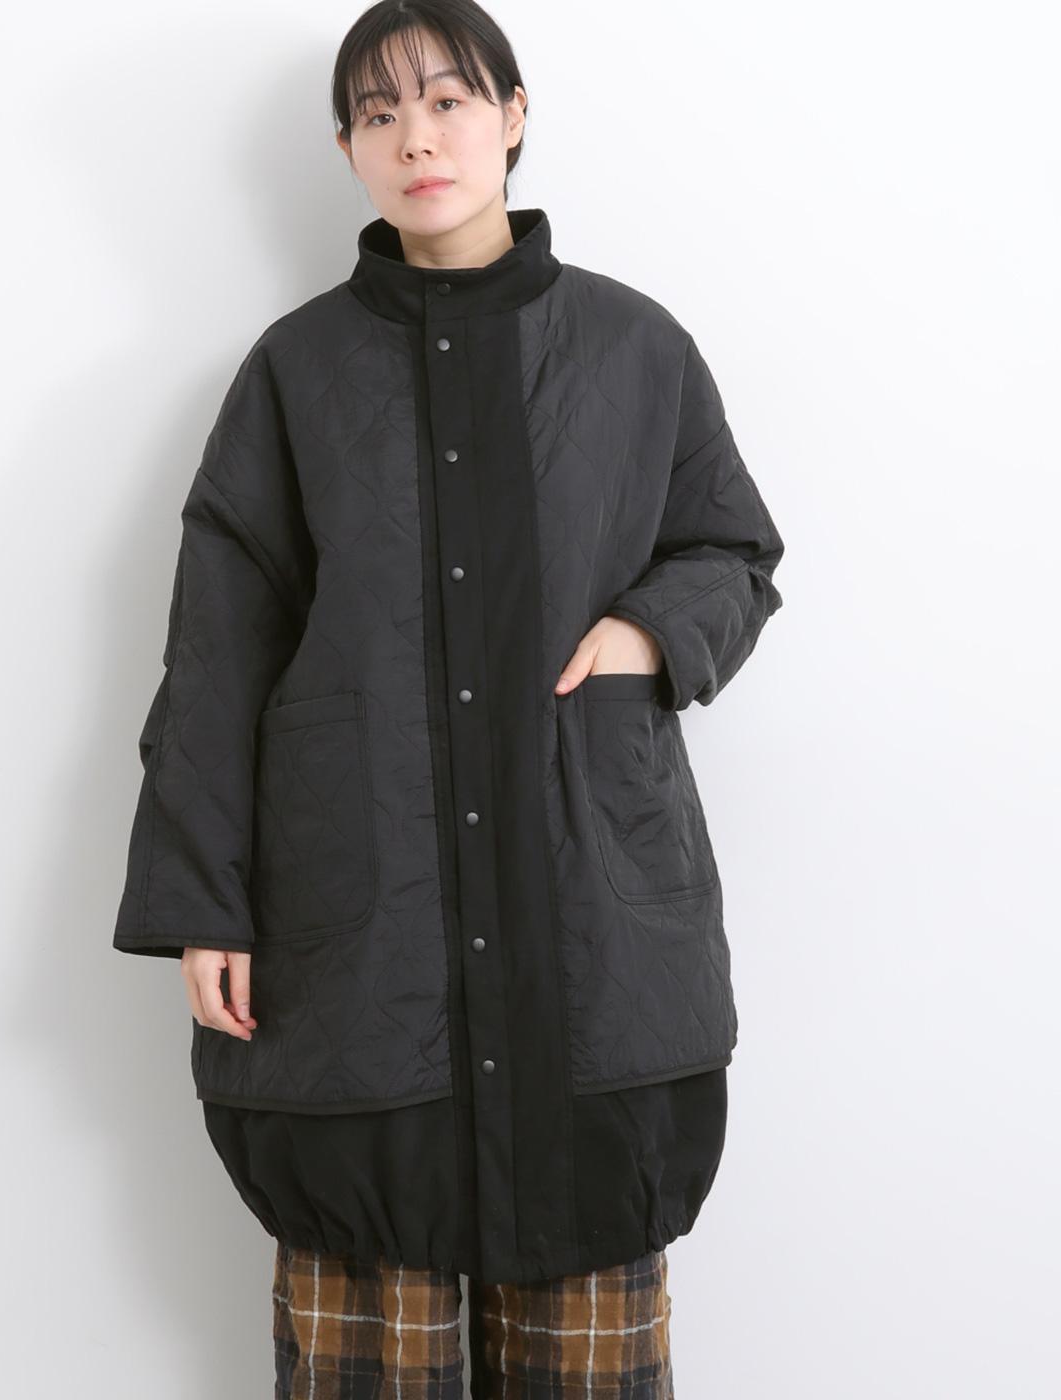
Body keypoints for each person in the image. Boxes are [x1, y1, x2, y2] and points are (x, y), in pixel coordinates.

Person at [112, 2, 786, 1394]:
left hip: (592, 927)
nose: (416, 137)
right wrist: (204, 901)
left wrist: (648, 632)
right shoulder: (296, 373)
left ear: (513, 116)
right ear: (347, 149)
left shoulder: (634, 349)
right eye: (379, 114)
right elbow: (219, 648)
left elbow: (732, 548)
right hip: (361, 951)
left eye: (447, 101)